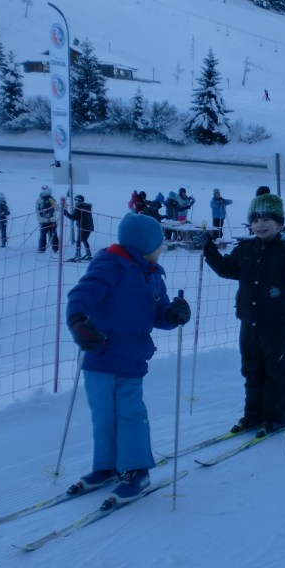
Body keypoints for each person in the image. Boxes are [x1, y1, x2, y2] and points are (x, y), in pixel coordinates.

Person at [65, 213, 191, 504]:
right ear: (145, 246)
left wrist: (174, 315)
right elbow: (81, 296)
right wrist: (78, 321)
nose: (161, 249)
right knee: (103, 416)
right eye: (159, 244)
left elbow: (160, 314)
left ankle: (136, 470)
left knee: (130, 414)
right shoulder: (111, 265)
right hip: (98, 356)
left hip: (130, 359)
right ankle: (107, 466)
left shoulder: (152, 274)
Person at [204, 194, 285, 434]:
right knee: (251, 369)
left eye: (266, 220)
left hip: (276, 323)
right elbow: (227, 269)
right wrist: (208, 249)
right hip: (249, 320)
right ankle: (252, 414)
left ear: (279, 224)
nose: (260, 225)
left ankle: (275, 416)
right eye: (255, 220)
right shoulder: (245, 248)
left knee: (275, 370)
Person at [63, 194, 94, 261]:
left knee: (78, 241)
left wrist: (65, 213)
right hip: (89, 227)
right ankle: (88, 254)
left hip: (82, 227)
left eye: (75, 200)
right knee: (84, 239)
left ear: (77, 201)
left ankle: (78, 255)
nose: (74, 202)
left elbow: (74, 217)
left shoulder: (78, 207)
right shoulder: (86, 207)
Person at [36, 185, 60, 253]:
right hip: (52, 220)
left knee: (43, 235)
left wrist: (39, 219)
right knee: (53, 234)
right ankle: (55, 248)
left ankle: (41, 248)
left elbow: (37, 210)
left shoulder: (39, 200)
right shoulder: (51, 199)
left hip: (43, 221)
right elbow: (56, 208)